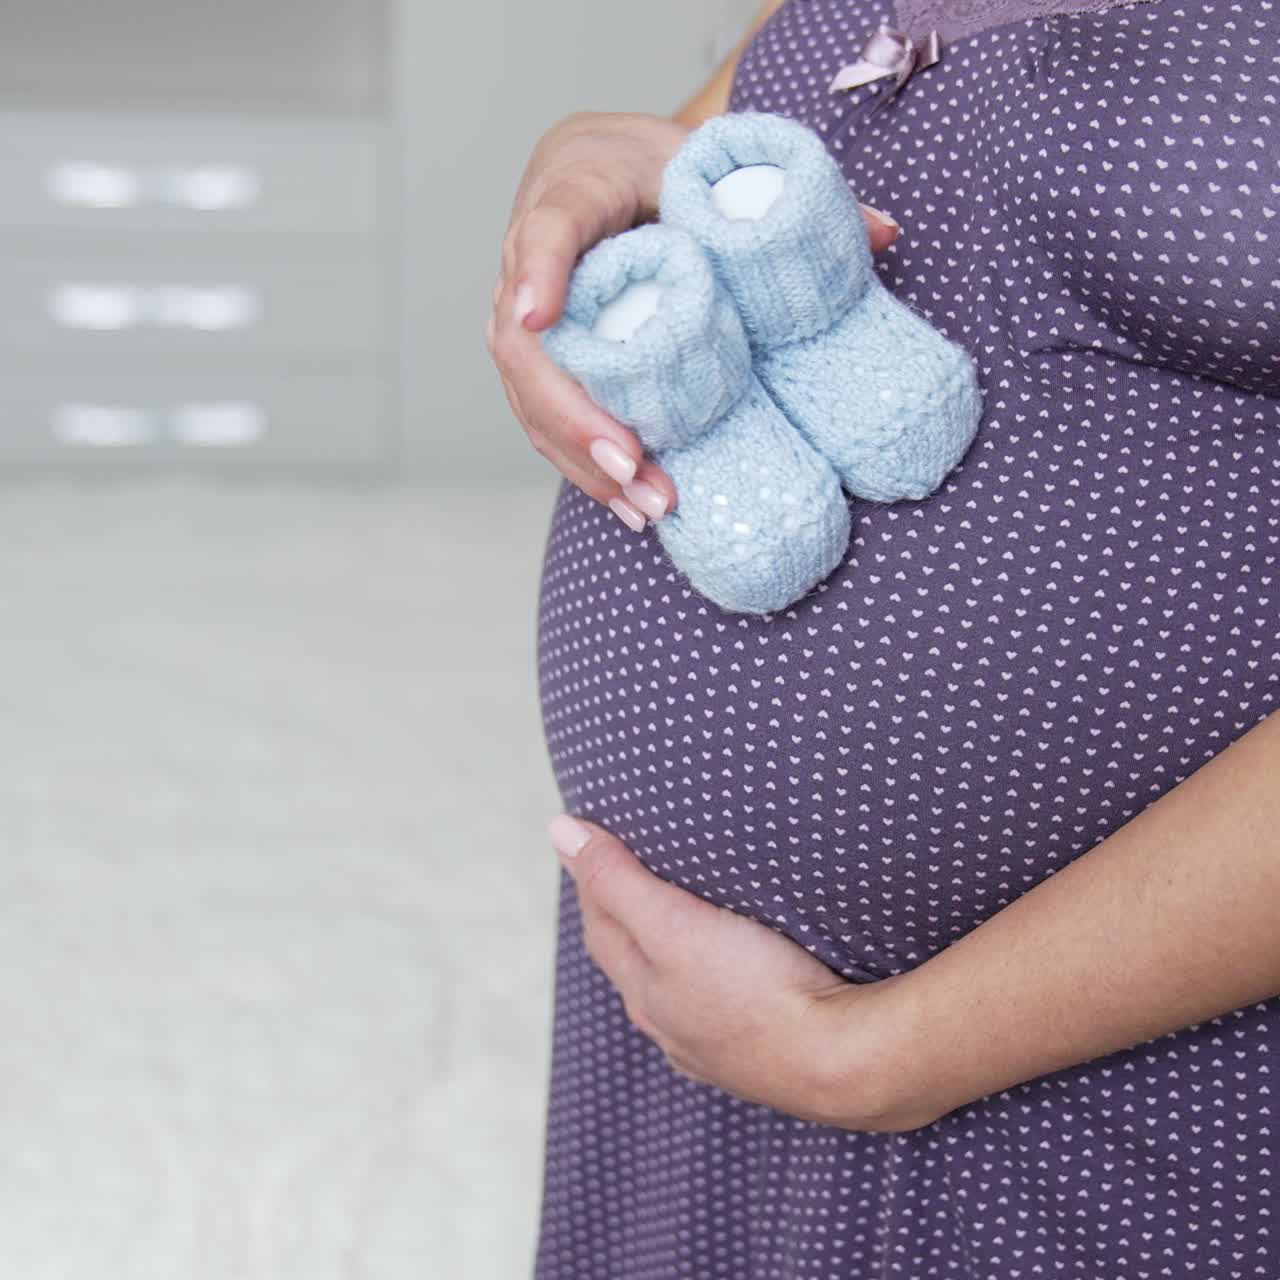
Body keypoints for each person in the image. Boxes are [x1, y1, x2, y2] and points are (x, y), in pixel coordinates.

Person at [487, 0, 1280, 1274]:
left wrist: (882, 1050)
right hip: (689, 1027)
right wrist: (592, 164)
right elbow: (710, 133)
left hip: (1130, 1082)